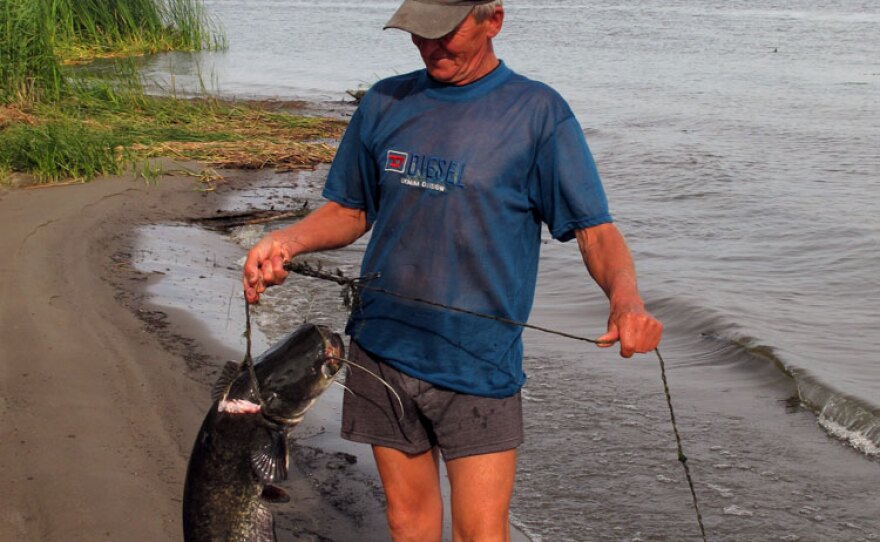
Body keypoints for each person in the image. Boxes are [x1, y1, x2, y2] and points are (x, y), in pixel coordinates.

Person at [243, 1, 663, 540]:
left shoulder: (538, 113)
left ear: (494, 20)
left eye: (445, 32)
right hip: (382, 349)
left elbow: (595, 231)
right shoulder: (385, 101)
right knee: (408, 521)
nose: (429, 46)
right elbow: (350, 210)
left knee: (480, 533)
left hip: (478, 363)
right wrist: (284, 241)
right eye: (418, 33)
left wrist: (626, 300)